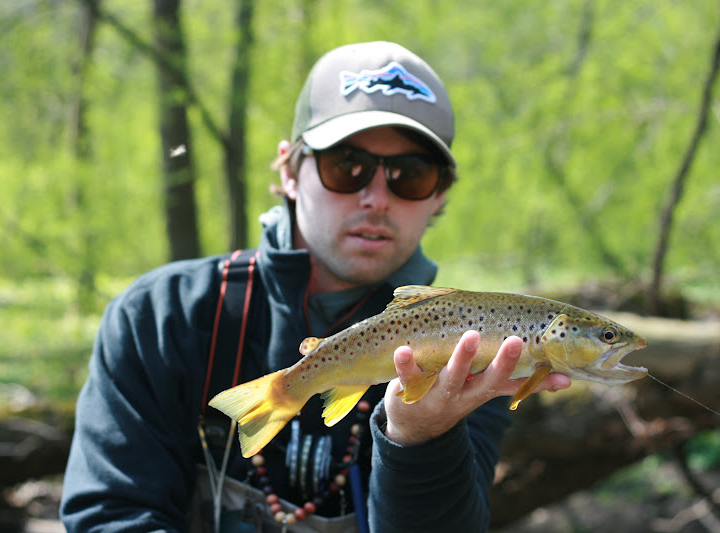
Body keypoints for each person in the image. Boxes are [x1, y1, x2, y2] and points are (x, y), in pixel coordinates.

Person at [60, 41, 571, 533]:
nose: (375, 197)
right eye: (346, 166)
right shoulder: (161, 317)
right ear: (289, 169)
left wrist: (421, 440)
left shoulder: (481, 347)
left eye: (409, 175)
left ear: (438, 196)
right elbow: (111, 513)